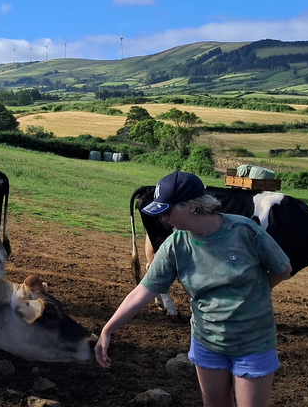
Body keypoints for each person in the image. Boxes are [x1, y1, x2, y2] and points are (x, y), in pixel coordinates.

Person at [94, 171, 292, 407]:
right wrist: (108, 329)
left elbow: (283, 269)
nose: (165, 219)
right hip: (207, 343)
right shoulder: (176, 245)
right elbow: (142, 291)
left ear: (191, 206)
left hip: (253, 343)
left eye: (167, 211)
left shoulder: (244, 231)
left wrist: (256, 293)